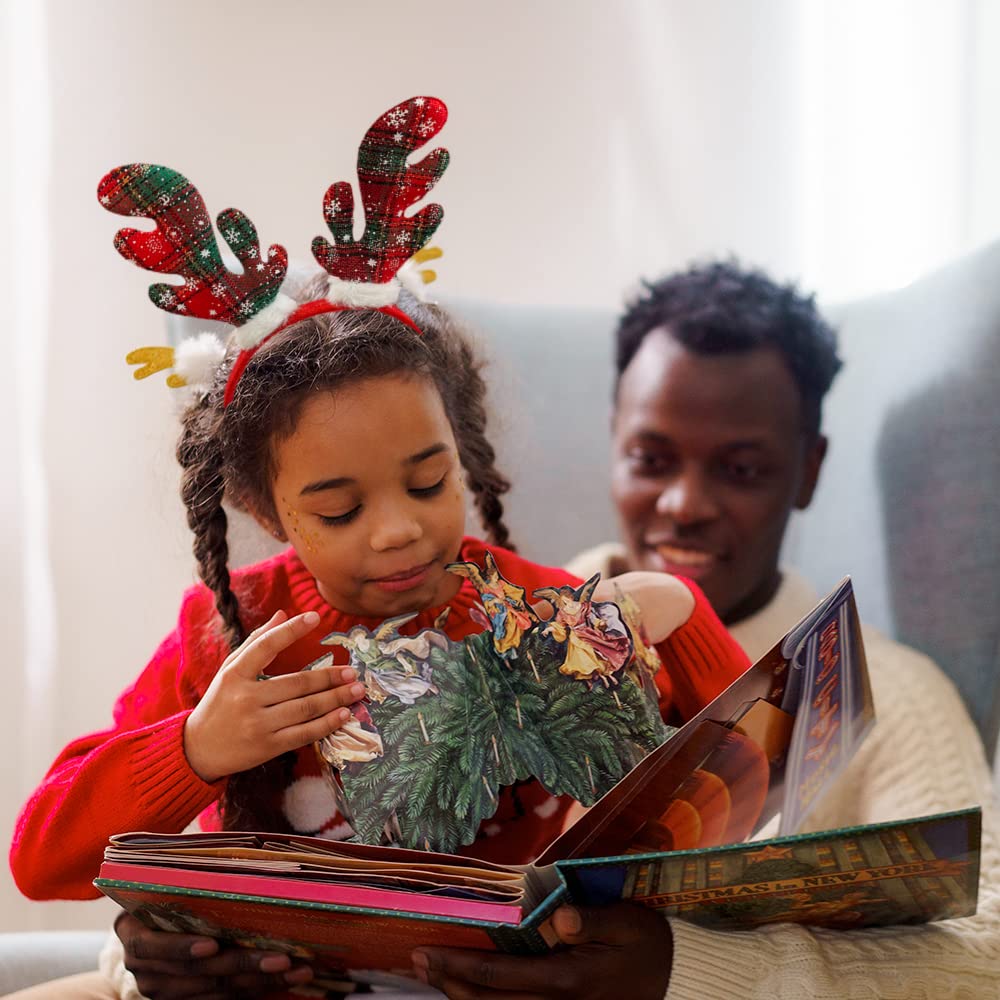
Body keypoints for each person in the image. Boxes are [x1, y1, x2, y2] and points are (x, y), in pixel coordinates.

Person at [6, 149, 750, 999]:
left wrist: (679, 615)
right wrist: (194, 748)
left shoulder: (545, 607)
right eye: (338, 510)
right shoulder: (230, 637)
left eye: (428, 484)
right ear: (262, 507)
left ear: (462, 454)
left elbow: (755, 763)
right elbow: (41, 859)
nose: (398, 531)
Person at [411, 260, 1000, 997]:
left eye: (742, 469)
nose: (685, 504)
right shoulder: (485, 637)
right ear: (612, 440)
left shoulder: (892, 694)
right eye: (652, 459)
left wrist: (682, 971)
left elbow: (986, 961)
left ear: (808, 471)